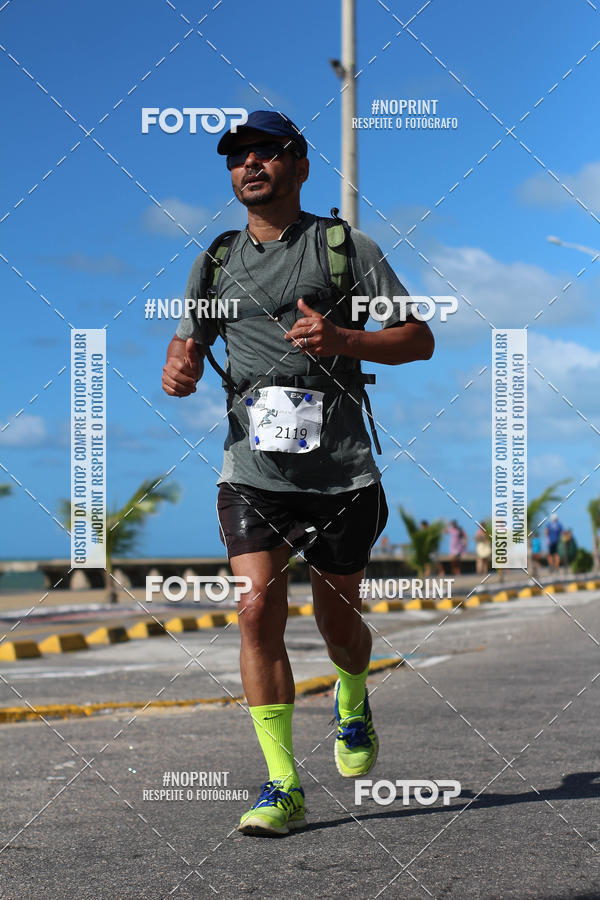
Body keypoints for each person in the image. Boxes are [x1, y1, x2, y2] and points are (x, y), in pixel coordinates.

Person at [162, 110, 434, 836]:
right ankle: (282, 785)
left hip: (341, 473)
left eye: (267, 153)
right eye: (238, 156)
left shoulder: (344, 249)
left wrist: (343, 337)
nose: (250, 164)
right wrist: (179, 364)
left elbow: (420, 337)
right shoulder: (216, 259)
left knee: (338, 617)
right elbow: (187, 337)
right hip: (251, 468)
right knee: (255, 607)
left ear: (300, 165)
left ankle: (351, 695)